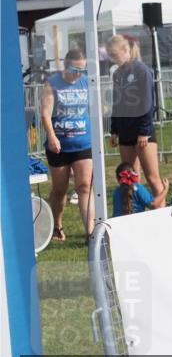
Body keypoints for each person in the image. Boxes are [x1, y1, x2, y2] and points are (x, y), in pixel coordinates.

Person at [40, 49, 95, 240]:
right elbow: (45, 114)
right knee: (59, 189)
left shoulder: (86, 83)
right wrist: (52, 136)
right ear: (65, 66)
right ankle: (57, 226)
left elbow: (96, 108)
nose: (79, 73)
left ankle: (91, 233)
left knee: (85, 186)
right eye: (75, 69)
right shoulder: (52, 84)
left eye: (82, 69)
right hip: (60, 145)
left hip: (83, 143)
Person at [106, 35, 165, 200]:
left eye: (115, 54)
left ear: (126, 50)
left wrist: (144, 131)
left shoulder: (142, 70)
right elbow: (117, 103)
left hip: (142, 132)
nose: (113, 58)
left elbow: (148, 102)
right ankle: (133, 211)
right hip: (125, 131)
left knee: (152, 177)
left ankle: (163, 213)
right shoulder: (117, 73)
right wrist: (114, 130)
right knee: (130, 177)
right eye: (110, 55)